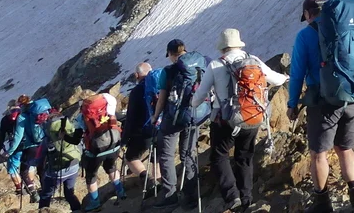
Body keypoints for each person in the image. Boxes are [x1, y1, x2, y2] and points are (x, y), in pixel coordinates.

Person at [287, 0, 354, 213]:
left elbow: (296, 73)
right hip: (352, 96)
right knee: (346, 149)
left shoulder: (305, 35)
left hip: (323, 102)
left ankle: (322, 203)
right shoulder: (345, 27)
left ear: (307, 14)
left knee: (319, 153)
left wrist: (292, 103)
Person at [191, 29, 287, 212]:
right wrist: (286, 77)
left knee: (219, 155)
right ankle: (246, 198)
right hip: (253, 116)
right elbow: (276, 80)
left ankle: (231, 196)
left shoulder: (216, 65)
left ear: (222, 47)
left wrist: (192, 103)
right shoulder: (253, 60)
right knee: (244, 157)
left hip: (225, 119)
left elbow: (200, 96)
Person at [150, 40, 201, 209]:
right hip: (195, 115)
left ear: (171, 54)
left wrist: (155, 116)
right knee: (188, 154)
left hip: (173, 118)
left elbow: (162, 97)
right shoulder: (199, 64)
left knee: (166, 155)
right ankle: (191, 195)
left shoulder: (169, 71)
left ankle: (170, 194)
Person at [75, 92, 125, 210]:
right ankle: (121, 191)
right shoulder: (107, 109)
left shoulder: (82, 116)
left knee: (91, 175)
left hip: (96, 150)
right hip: (114, 144)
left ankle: (95, 201)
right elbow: (123, 118)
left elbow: (76, 138)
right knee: (111, 167)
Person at [38, 110, 84, 212]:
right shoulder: (70, 129)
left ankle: (43, 210)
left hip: (57, 171)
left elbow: (40, 157)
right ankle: (77, 210)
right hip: (74, 165)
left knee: (46, 195)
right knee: (69, 193)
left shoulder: (49, 138)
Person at [121, 62, 154, 186]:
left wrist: (124, 140)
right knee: (158, 156)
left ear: (137, 75)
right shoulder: (160, 84)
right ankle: (161, 183)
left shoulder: (137, 91)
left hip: (143, 131)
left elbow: (131, 118)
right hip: (161, 127)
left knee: (131, 157)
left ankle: (148, 180)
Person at [0, 95, 30, 196]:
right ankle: (31, 188)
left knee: (12, 168)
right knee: (29, 167)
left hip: (15, 147)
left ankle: (20, 189)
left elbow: (2, 136)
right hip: (29, 145)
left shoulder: (5, 120)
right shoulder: (24, 116)